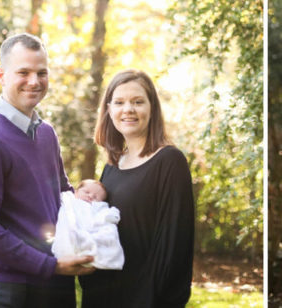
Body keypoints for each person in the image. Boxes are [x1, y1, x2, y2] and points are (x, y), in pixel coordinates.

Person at [0, 33, 95, 308]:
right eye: (23, 72)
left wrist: (94, 209)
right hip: (17, 292)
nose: (34, 81)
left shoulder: (46, 133)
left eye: (41, 73)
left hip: (58, 281)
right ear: (2, 75)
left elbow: (61, 195)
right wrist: (49, 265)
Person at [79, 69, 195, 307]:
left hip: (145, 299)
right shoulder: (111, 166)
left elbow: (175, 247)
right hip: (102, 296)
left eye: (138, 102)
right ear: (109, 110)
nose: (128, 109)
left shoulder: (170, 161)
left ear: (152, 108)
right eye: (119, 102)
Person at [51, 180, 125, 270]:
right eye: (87, 192)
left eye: (96, 197)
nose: (90, 196)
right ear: (76, 191)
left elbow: (106, 215)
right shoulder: (69, 200)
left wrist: (109, 215)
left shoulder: (97, 208)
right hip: (69, 230)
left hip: (87, 231)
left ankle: (85, 246)